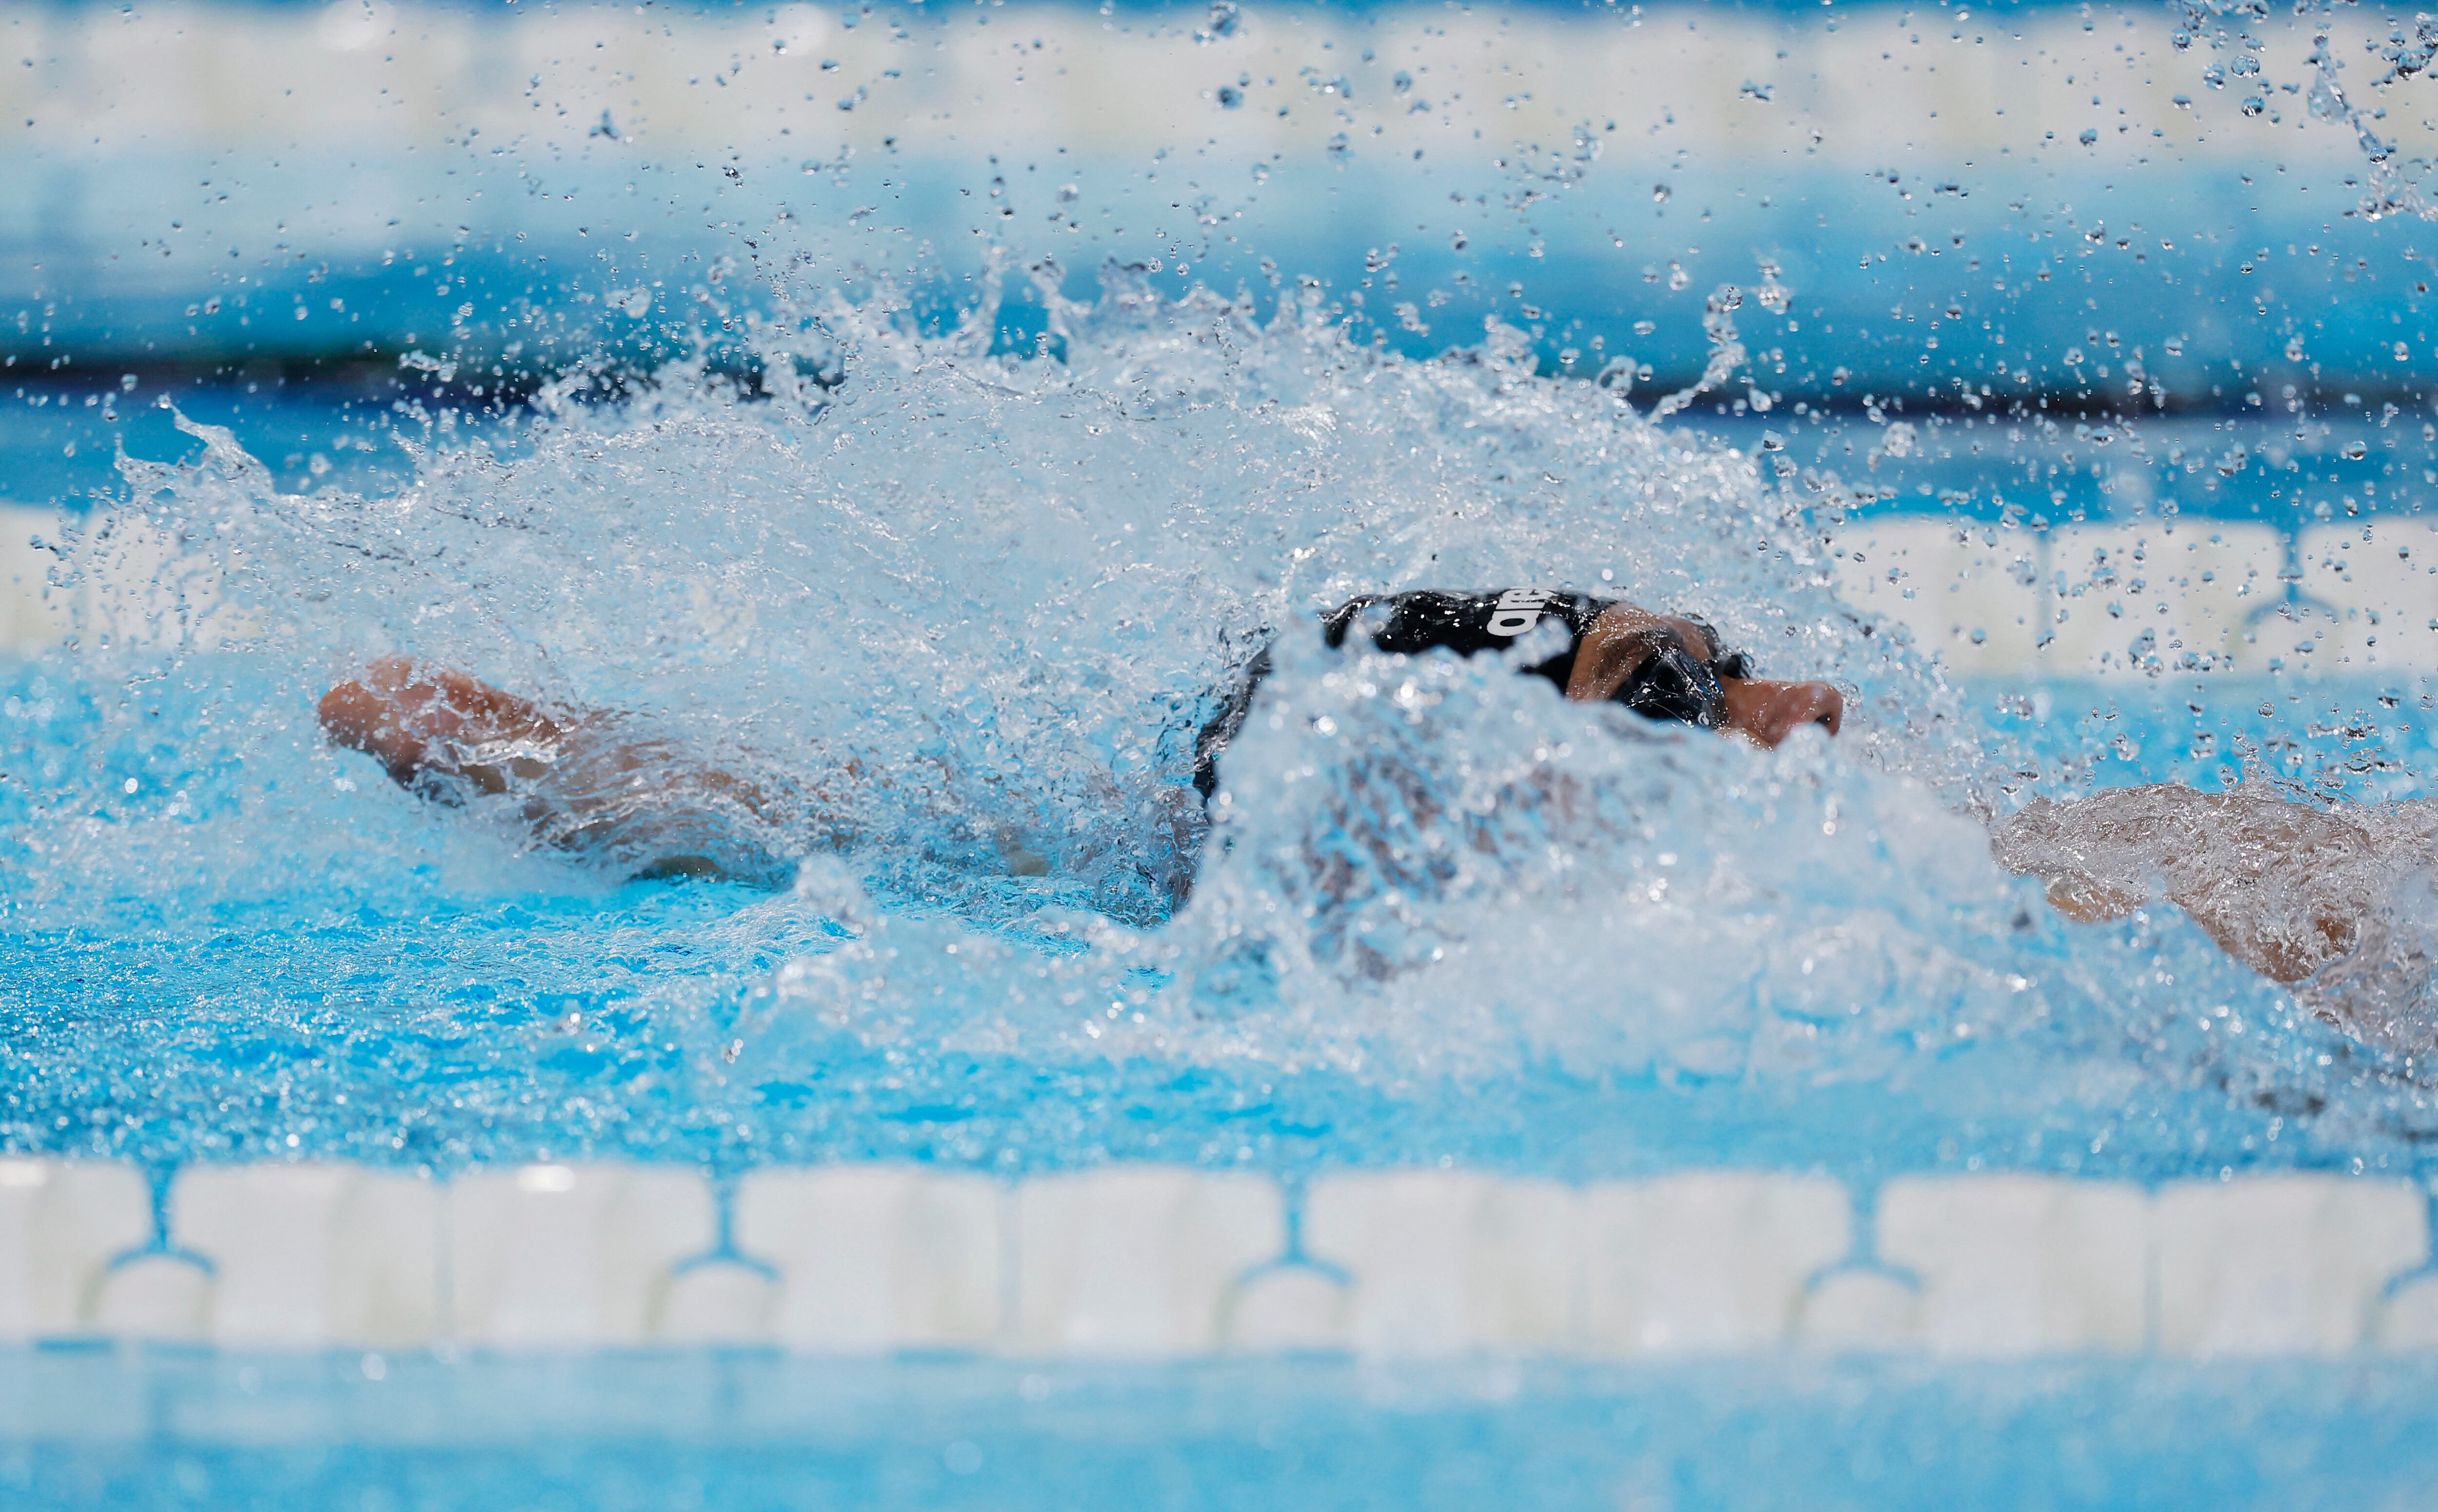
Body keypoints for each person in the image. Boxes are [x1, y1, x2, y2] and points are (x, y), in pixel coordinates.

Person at [315, 587, 2415, 1032]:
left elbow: (841, 811)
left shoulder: (2006, 873)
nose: (1813, 701)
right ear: (1472, 814)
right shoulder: (1975, 934)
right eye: (1673, 698)